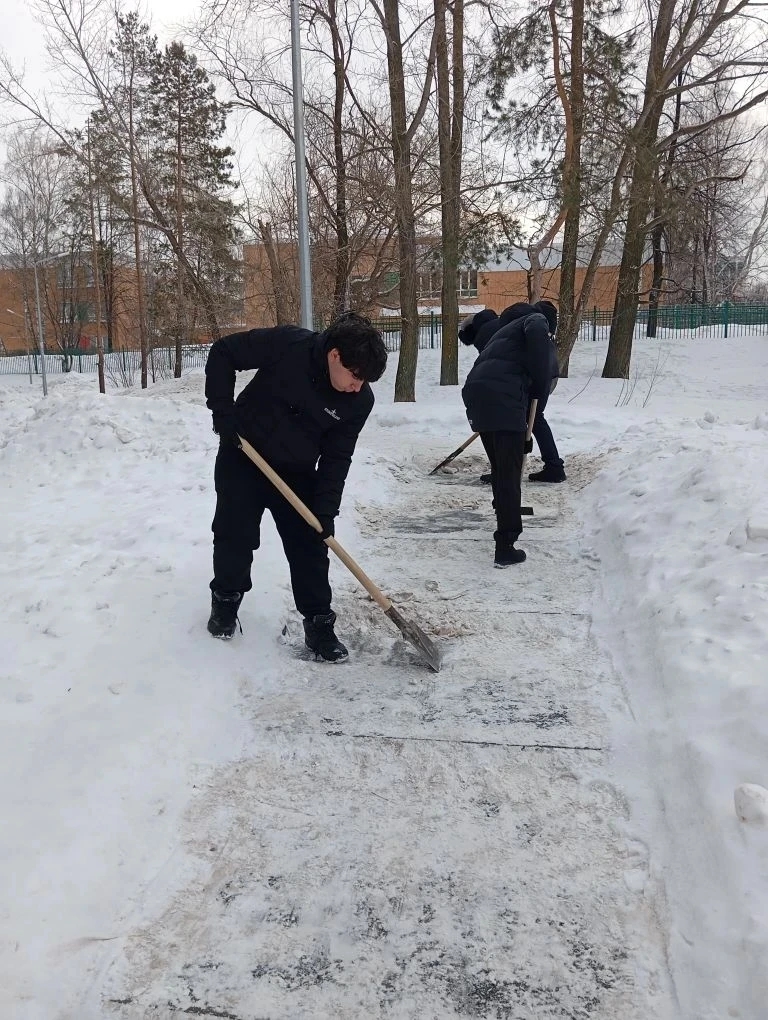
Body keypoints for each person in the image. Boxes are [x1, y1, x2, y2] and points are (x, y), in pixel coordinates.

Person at [204, 311, 388, 661]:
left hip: (297, 471)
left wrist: (326, 510)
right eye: (355, 376)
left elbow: (337, 458)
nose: (358, 386)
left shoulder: (358, 401)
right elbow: (224, 352)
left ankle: (319, 624)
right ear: (335, 355)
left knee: (310, 543)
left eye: (365, 381)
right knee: (234, 533)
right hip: (244, 453)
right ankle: (225, 601)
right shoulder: (288, 345)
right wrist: (222, 412)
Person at [461, 302, 555, 567]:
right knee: (509, 475)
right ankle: (506, 545)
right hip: (504, 398)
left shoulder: (502, 333)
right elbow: (538, 337)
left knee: (501, 471)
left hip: (476, 395)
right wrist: (539, 385)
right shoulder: (535, 320)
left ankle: (503, 520)